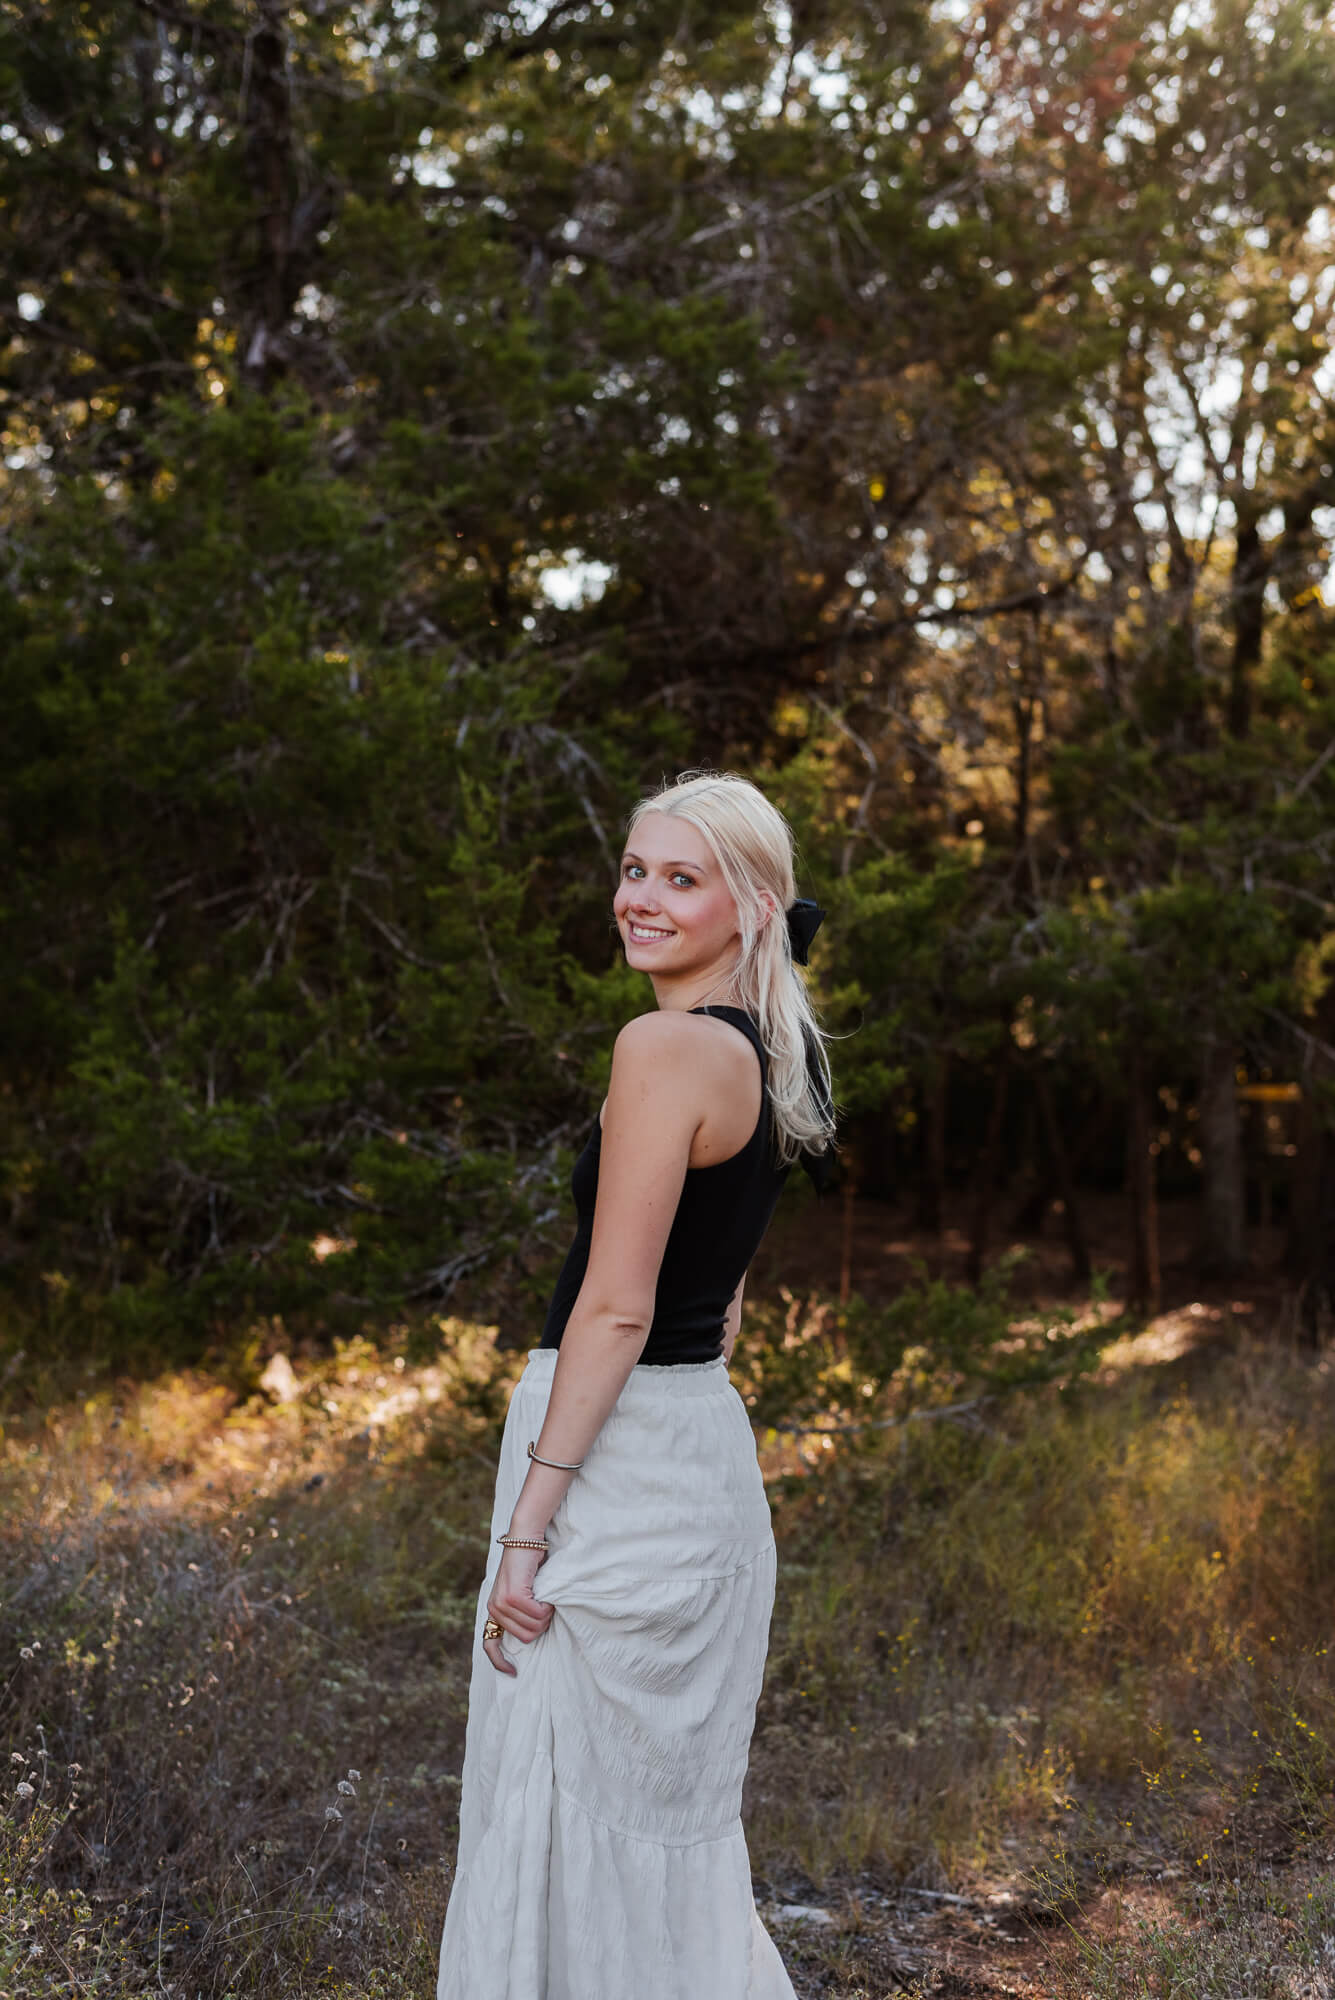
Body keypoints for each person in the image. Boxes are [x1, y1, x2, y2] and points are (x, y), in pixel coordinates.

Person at [436, 770, 835, 2000]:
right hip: (699, 1447)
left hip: (614, 1459)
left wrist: (526, 1531)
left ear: (752, 903)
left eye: (681, 877)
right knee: (659, 1819)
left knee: (565, 1799)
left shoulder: (662, 1046)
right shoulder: (767, 1050)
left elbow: (617, 1303)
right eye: (633, 869)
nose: (641, 900)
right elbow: (714, 1288)